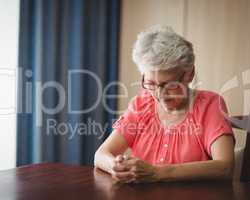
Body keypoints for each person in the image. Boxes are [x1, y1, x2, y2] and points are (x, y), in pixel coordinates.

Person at [94, 25, 235, 183]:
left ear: (190, 74)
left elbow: (225, 167)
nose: (160, 95)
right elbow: (101, 154)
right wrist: (115, 166)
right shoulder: (141, 105)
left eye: (170, 84)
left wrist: (157, 173)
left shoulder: (210, 105)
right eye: (151, 84)